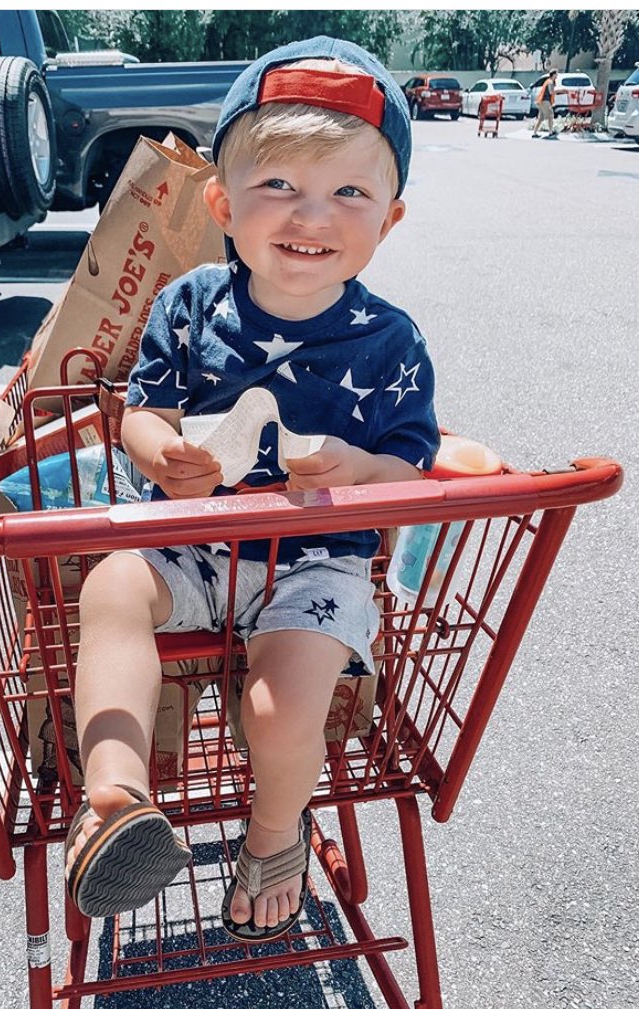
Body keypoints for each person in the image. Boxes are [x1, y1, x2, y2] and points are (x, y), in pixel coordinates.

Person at [64, 36, 440, 943]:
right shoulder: (190, 305)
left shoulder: (390, 342)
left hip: (318, 560)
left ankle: (274, 833)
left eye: (349, 191)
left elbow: (410, 466)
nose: (312, 214)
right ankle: (115, 794)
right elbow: (141, 413)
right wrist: (162, 457)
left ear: (387, 220)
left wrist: (360, 473)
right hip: (193, 534)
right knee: (112, 584)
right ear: (224, 205)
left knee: (279, 708)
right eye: (279, 186)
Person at [533, 69, 558, 139]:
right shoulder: (550, 82)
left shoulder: (548, 81)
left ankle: (534, 133)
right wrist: (559, 91)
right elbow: (550, 92)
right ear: (553, 75)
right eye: (556, 74)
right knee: (550, 116)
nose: (557, 76)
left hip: (541, 101)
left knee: (541, 118)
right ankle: (550, 132)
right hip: (545, 101)